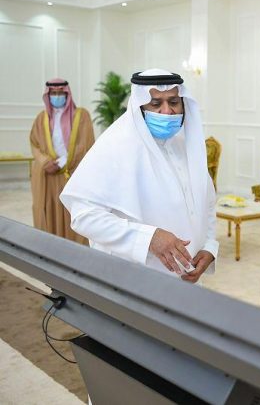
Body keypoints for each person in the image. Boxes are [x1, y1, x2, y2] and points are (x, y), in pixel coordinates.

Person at [60, 69, 217, 282]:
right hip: (134, 279)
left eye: (173, 102)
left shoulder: (188, 147)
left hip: (186, 280)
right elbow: (84, 217)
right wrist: (149, 239)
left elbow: (207, 204)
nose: (166, 111)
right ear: (140, 106)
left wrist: (209, 247)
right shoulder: (114, 146)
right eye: (155, 104)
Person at [30, 79, 95, 244]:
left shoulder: (81, 116)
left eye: (60, 93)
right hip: (48, 175)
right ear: (48, 95)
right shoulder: (41, 118)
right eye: (53, 93)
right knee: (49, 209)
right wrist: (45, 162)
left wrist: (62, 163)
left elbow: (85, 144)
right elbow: (34, 144)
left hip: (72, 173)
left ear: (67, 94)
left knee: (71, 212)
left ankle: (74, 251)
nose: (57, 96)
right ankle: (50, 247)